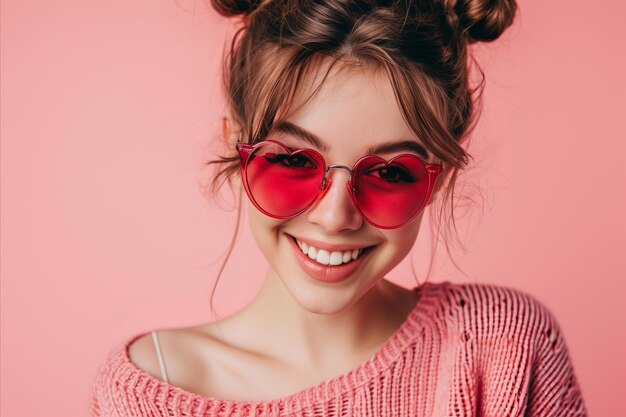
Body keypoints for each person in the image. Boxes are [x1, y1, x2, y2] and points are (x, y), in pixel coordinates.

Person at [90, 0, 587, 415]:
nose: (334, 217)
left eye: (391, 172)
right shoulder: (146, 393)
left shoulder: (503, 349)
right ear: (236, 143)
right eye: (291, 160)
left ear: (439, 179)